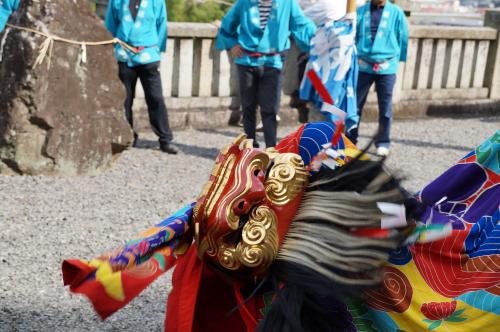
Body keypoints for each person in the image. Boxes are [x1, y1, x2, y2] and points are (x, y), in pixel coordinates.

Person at [62, 126, 500, 331]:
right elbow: (402, 214)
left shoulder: (304, 150)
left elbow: (402, 215)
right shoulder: (316, 154)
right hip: (311, 259)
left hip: (296, 254)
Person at [215, 0, 316, 148]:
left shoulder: (287, 3)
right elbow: (227, 25)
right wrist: (232, 44)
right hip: (246, 61)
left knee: (270, 109)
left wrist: (323, 36)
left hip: (273, 62)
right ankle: (250, 147)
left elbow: (302, 25)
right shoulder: (244, 3)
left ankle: (271, 149)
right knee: (248, 107)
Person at [105, 0, 177, 154]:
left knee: (156, 98)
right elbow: (110, 25)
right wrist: (108, 48)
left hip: (148, 56)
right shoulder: (116, 1)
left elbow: (161, 23)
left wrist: (158, 49)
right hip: (123, 55)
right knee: (124, 100)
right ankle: (127, 136)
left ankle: (165, 139)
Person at [347, 0, 408, 156]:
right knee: (355, 106)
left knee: (385, 107)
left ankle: (383, 141)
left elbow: (403, 38)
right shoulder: (360, 11)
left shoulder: (396, 12)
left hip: (387, 65)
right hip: (363, 63)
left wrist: (399, 60)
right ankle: (350, 140)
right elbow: (352, 35)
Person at [299, 0, 359, 133]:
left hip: (329, 80)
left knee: (323, 122)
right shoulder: (348, 28)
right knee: (329, 122)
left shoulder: (328, 16)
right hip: (331, 81)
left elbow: (299, 17)